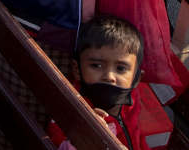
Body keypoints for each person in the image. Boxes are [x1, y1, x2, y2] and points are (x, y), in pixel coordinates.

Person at [47, 16, 173, 150]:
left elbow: (136, 136)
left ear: (136, 79)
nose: (109, 76)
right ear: (77, 69)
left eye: (120, 68)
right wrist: (83, 139)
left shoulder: (131, 98)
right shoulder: (71, 108)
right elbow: (58, 141)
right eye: (96, 65)